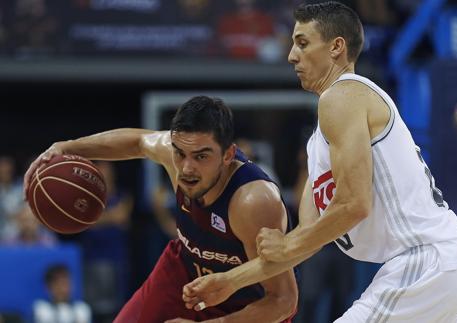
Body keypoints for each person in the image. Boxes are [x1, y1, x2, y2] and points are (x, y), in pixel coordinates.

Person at [182, 2, 457, 322]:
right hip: (431, 265)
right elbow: (306, 241)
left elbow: (354, 204)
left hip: (428, 258)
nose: (291, 55)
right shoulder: (319, 145)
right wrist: (230, 281)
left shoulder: (343, 95)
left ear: (337, 47)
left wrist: (286, 246)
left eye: (303, 42)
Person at [23, 96, 298, 322]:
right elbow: (136, 142)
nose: (187, 168)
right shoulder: (174, 153)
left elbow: (282, 301)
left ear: (227, 155)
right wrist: (66, 147)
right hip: (184, 270)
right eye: (180, 153)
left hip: (247, 304)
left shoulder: (253, 201)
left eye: (202, 156)